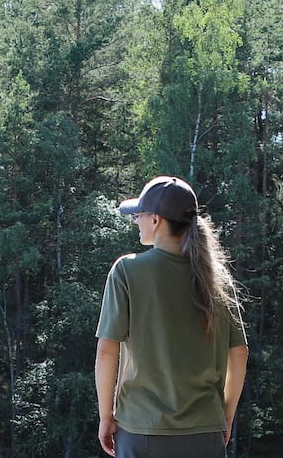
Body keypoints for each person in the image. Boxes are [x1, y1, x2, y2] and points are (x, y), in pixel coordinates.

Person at [94, 176, 249, 458]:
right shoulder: (217, 279)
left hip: (142, 433)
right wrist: (225, 416)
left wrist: (106, 417)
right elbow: (239, 353)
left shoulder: (127, 271)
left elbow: (107, 351)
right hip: (205, 434)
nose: (137, 222)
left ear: (156, 220)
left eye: (139, 215)